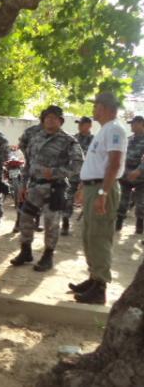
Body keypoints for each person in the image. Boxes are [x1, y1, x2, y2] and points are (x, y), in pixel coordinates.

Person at [10, 106, 83, 272]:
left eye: (54, 118)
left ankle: (48, 256)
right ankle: (26, 251)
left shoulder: (68, 141)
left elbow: (78, 164)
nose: (50, 120)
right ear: (43, 120)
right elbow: (29, 163)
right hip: (35, 186)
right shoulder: (36, 138)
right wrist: (23, 184)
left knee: (51, 223)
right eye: (47, 117)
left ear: (61, 121)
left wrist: (57, 172)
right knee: (25, 217)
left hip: (55, 188)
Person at [70, 92, 126, 305]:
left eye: (97, 106)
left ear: (107, 109)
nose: (94, 110)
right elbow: (97, 164)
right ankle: (94, 279)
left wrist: (102, 193)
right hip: (95, 186)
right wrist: (85, 187)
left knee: (100, 236)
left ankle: (100, 287)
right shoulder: (104, 130)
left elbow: (113, 163)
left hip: (104, 188)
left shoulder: (115, 129)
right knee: (89, 235)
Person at [62, 116, 94, 235]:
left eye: (82, 124)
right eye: (78, 124)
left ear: (89, 126)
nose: (79, 126)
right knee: (68, 199)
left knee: (88, 202)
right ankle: (65, 223)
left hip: (88, 177)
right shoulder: (73, 139)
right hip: (73, 175)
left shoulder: (94, 141)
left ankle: (89, 227)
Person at [115, 115, 144, 233]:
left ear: (141, 123)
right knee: (122, 201)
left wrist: (139, 170)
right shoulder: (129, 139)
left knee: (141, 202)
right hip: (126, 175)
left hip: (141, 177)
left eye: (133, 123)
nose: (131, 126)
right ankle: (119, 222)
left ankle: (139, 224)